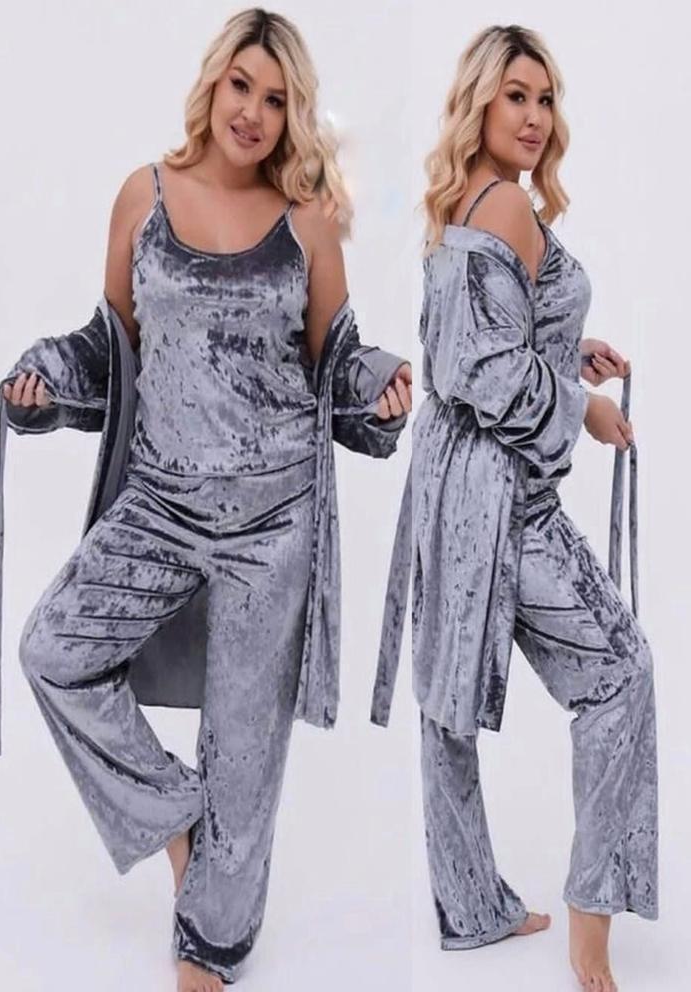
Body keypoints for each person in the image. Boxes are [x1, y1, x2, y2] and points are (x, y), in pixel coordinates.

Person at [0, 8, 411, 990]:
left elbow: (337, 358)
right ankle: (182, 825)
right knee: (54, 648)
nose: (253, 112)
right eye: (241, 86)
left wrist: (380, 382)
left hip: (274, 520)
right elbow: (109, 342)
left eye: (276, 99)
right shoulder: (142, 195)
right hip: (160, 502)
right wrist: (48, 375)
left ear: (293, 113)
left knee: (245, 756)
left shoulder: (308, 218)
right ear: (213, 83)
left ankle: (210, 947)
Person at [372, 24, 655, 992]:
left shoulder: (468, 198)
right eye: (515, 97)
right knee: (619, 672)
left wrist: (568, 350)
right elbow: (482, 373)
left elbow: (482, 341)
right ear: (481, 102)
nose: (534, 117)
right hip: (497, 493)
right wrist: (583, 406)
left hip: (452, 481)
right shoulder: (501, 206)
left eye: (544, 99)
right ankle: (590, 924)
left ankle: (470, 907)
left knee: (445, 704)